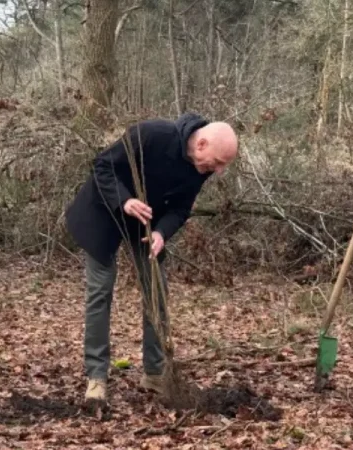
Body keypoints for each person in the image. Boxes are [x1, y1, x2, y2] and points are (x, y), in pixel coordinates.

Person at [64, 112, 238, 402]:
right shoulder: (151, 135)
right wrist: (125, 200)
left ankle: (155, 373)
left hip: (146, 223)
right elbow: (102, 167)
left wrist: (161, 233)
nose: (218, 171)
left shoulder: (201, 167)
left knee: (156, 291)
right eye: (219, 163)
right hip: (104, 211)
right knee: (100, 292)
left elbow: (181, 208)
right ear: (202, 144)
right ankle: (96, 376)